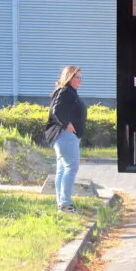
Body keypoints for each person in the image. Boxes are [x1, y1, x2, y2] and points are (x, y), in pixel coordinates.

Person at [47, 65, 86, 213]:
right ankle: (66, 204)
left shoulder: (70, 92)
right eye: (77, 77)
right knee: (71, 167)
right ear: (69, 77)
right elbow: (56, 110)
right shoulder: (65, 91)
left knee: (63, 169)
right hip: (65, 136)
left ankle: (62, 204)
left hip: (67, 136)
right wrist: (66, 124)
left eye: (81, 77)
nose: (80, 80)